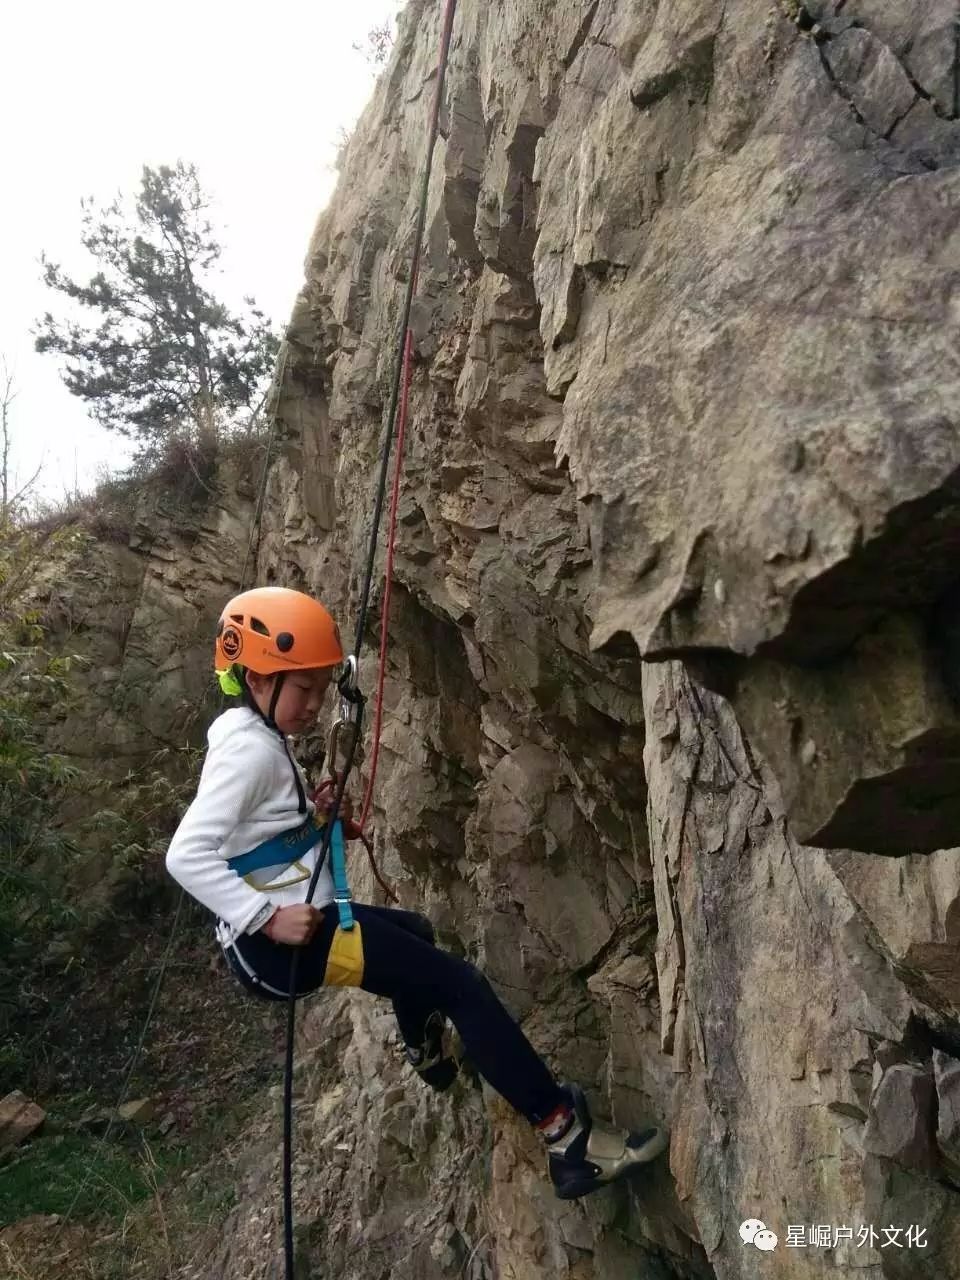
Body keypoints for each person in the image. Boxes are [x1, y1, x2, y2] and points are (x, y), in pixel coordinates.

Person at [165, 586, 668, 1199]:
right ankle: (567, 1137)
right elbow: (186, 853)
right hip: (285, 944)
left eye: (323, 690)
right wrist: (264, 917)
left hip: (290, 931)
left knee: (417, 936)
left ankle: (422, 1048)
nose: (316, 704)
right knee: (459, 984)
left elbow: (255, 832)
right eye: (303, 689)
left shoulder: (256, 737)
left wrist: (312, 819)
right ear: (255, 677)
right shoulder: (250, 754)